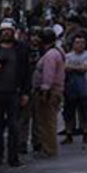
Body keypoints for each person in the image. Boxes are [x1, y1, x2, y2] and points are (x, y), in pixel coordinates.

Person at [0, 19, 30, 170]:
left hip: (14, 93)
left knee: (14, 127)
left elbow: (26, 72)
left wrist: (25, 92)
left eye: (9, 30)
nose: (6, 33)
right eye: (3, 30)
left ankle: (13, 158)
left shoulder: (21, 49)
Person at [31, 29, 65, 158]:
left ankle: (49, 149)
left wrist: (45, 91)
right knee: (47, 121)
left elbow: (48, 75)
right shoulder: (57, 51)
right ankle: (48, 148)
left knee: (47, 121)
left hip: (50, 92)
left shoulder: (50, 55)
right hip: (54, 90)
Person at [63, 34, 87, 144]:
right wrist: (78, 68)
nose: (80, 45)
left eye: (82, 43)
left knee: (86, 112)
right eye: (77, 42)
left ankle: (86, 133)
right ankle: (68, 134)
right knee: (68, 113)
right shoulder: (67, 56)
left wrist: (71, 68)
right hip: (70, 88)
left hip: (85, 88)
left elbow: (85, 68)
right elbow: (64, 68)